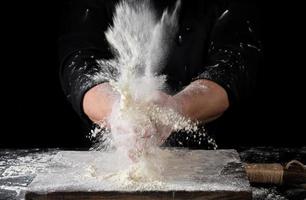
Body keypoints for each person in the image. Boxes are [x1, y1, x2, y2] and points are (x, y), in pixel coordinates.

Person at [59, 0, 262, 149]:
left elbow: (235, 61)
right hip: (110, 160)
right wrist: (117, 112)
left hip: (212, 155)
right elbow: (79, 61)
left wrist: (177, 107)